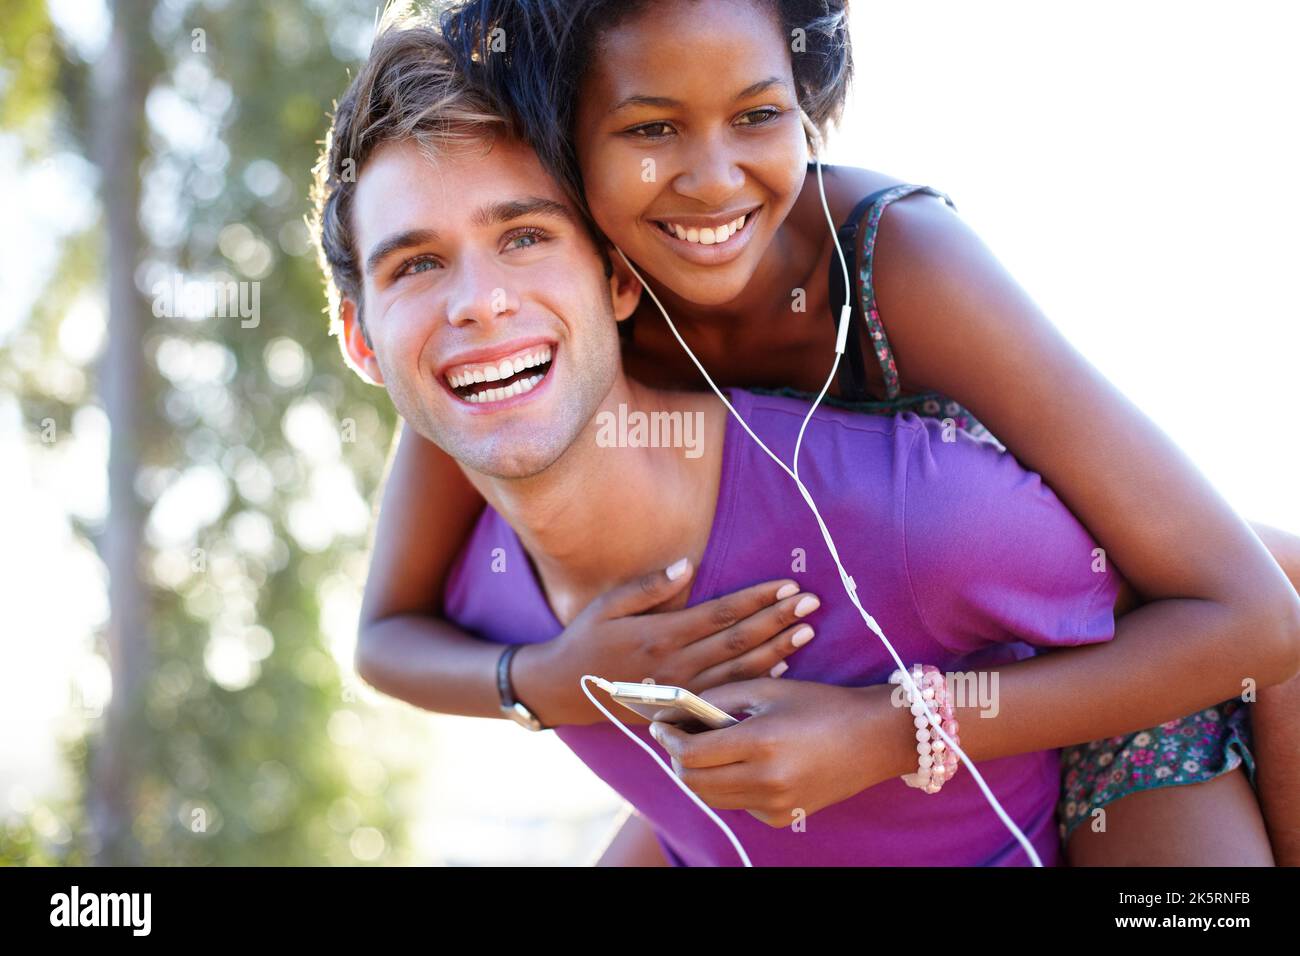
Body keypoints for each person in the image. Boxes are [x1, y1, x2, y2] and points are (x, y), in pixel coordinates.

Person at [310, 17, 1298, 865]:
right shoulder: (507, 366)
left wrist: (884, 729)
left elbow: (1234, 606)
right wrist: (546, 683)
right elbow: (385, 634)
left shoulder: (896, 267)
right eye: (650, 127)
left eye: (756, 113)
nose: (708, 180)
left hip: (1093, 647)